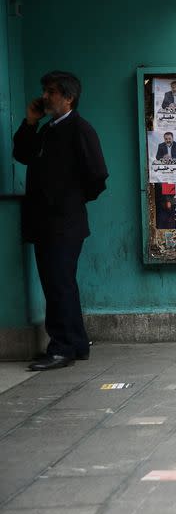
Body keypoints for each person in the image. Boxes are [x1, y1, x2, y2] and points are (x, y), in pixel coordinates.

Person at [13, 71, 108, 371]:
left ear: (68, 97)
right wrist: (30, 121)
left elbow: (97, 176)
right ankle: (76, 344)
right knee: (59, 283)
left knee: (58, 284)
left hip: (64, 223)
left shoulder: (80, 129)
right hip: (44, 223)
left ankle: (62, 348)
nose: (45, 96)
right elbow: (22, 154)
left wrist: (68, 201)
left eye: (51, 91)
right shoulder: (47, 129)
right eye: (44, 90)